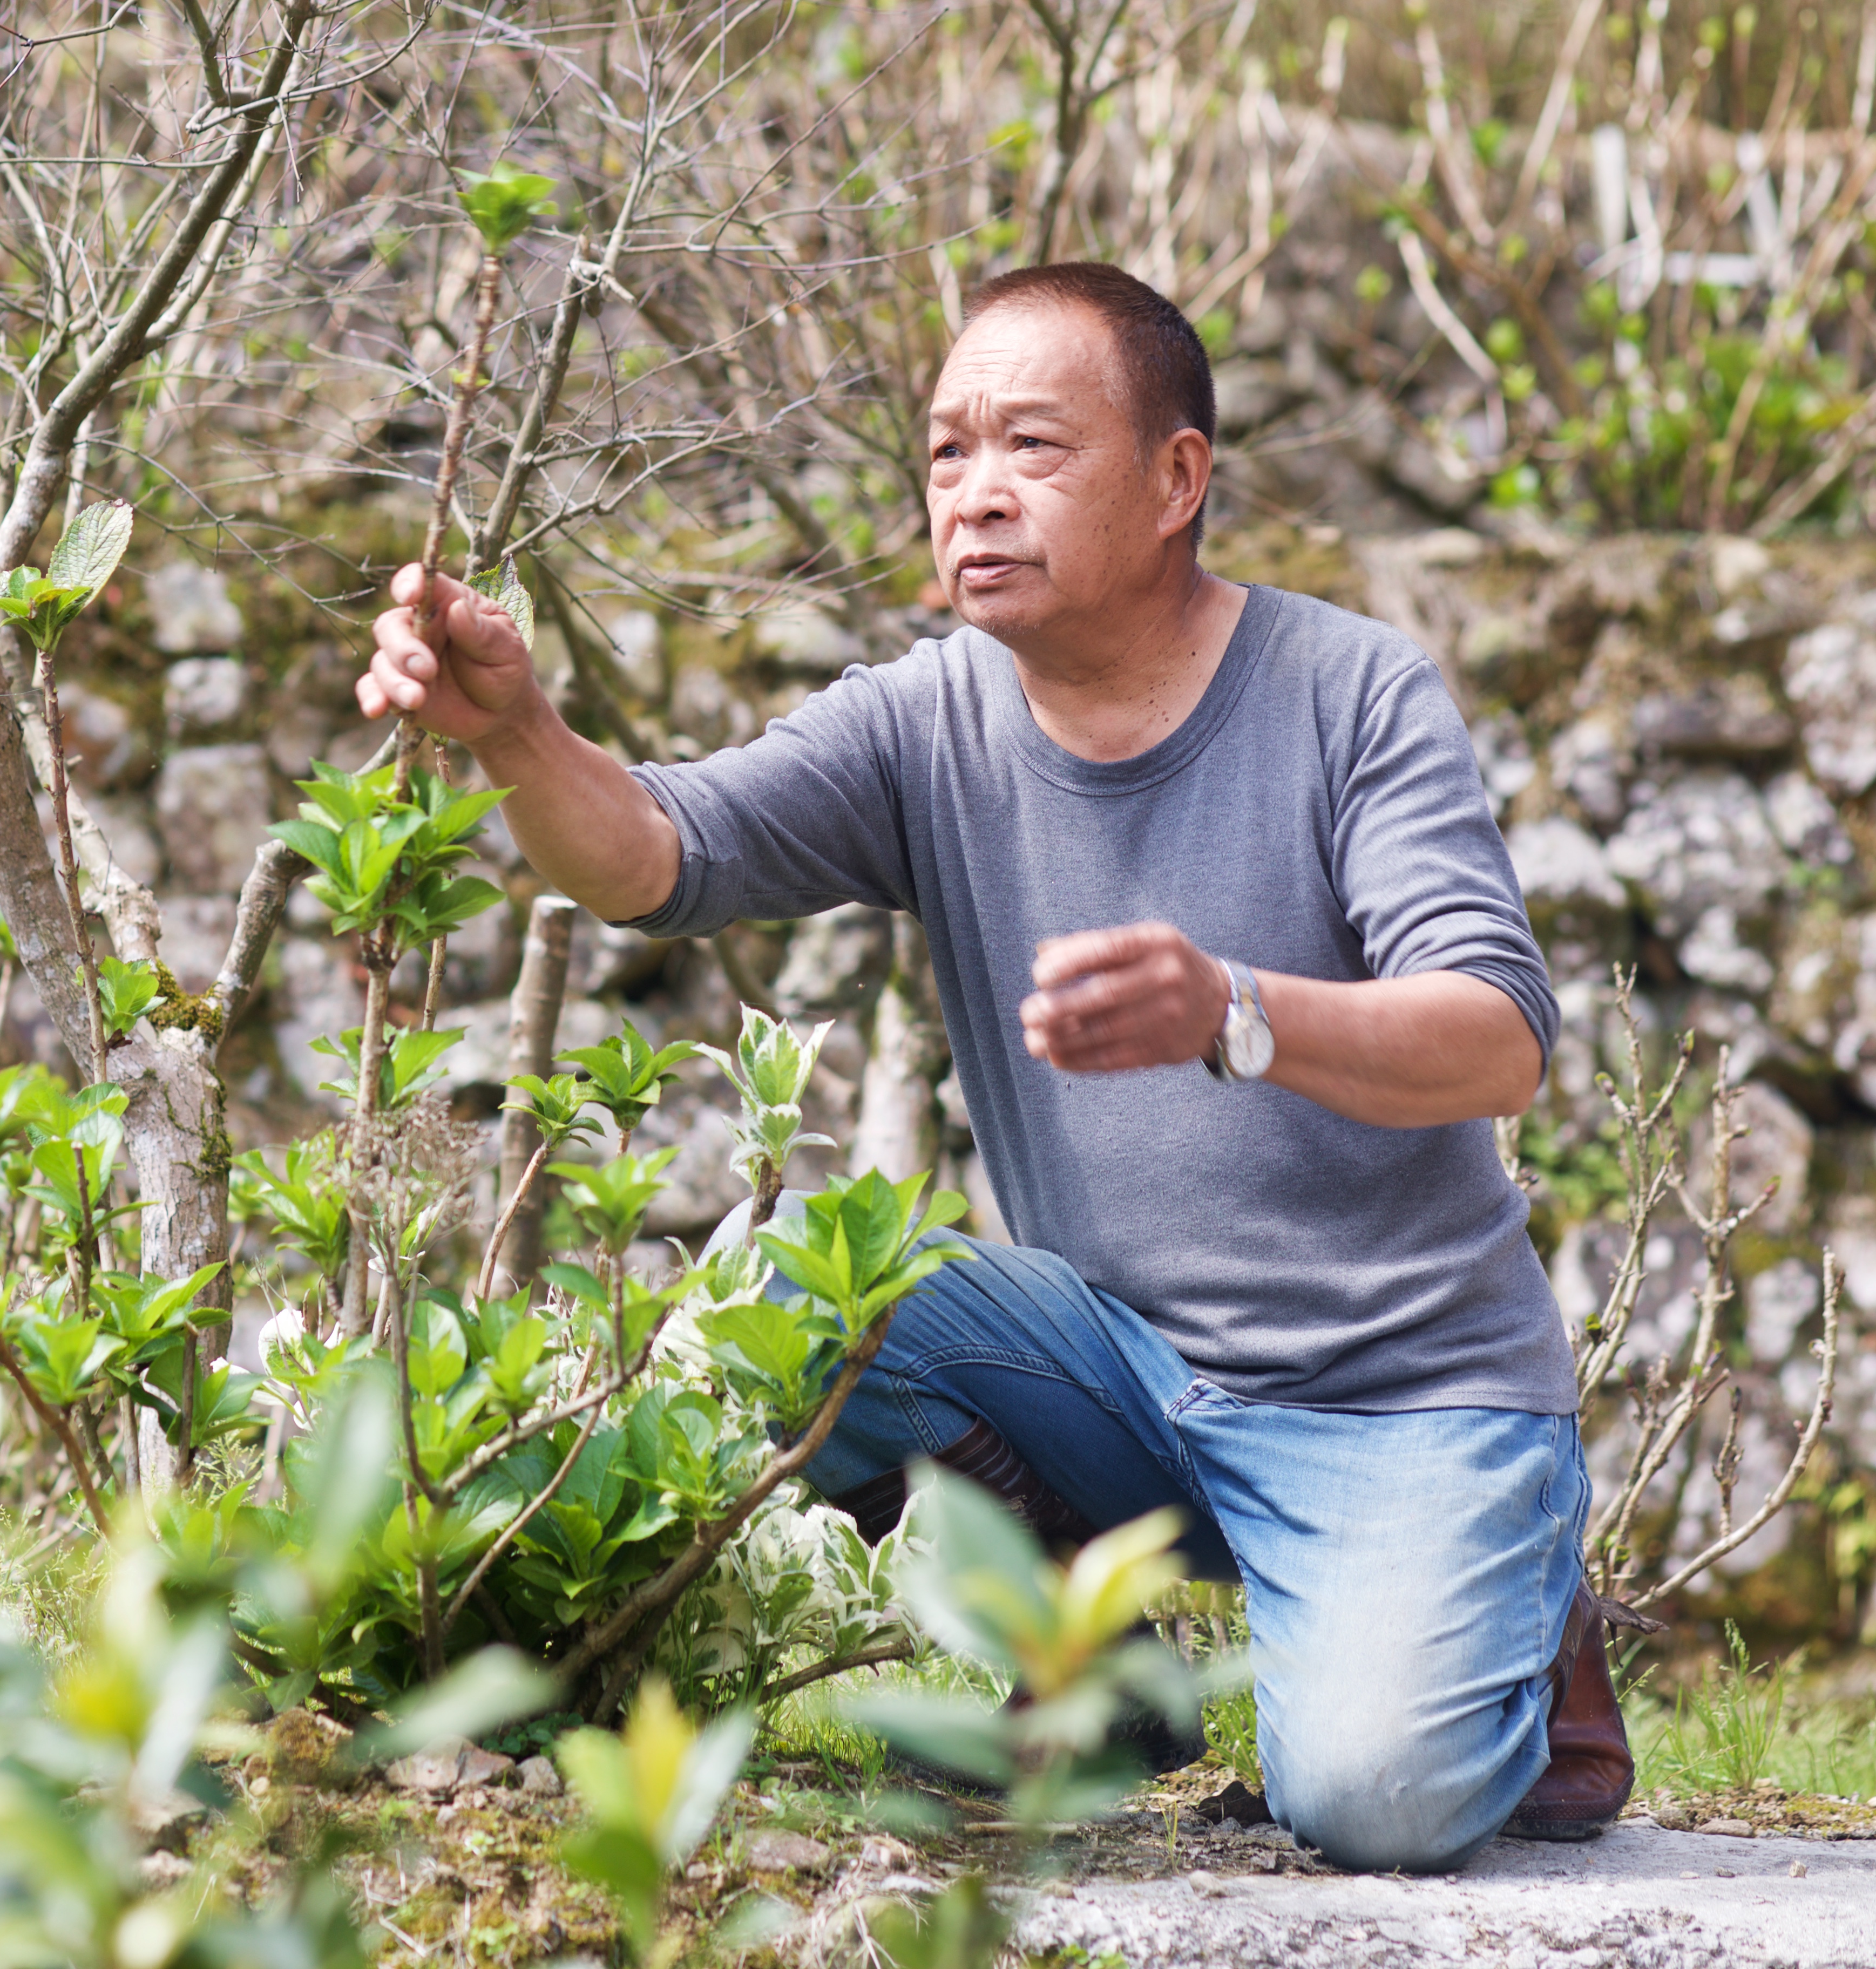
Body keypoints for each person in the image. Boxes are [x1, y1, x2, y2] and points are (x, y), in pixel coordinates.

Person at [352, 261, 1625, 1874]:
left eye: (1033, 446)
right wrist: (518, 734)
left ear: (1178, 481)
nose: (977, 495)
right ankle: (1096, 1679)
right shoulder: (926, 720)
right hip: (1127, 1373)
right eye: (949, 455)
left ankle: (1520, 1615)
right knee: (810, 1303)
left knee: (1375, 1804)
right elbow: (658, 858)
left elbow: (1498, 1037)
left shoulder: (1349, 692)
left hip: (1402, 1399)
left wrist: (1238, 1007)